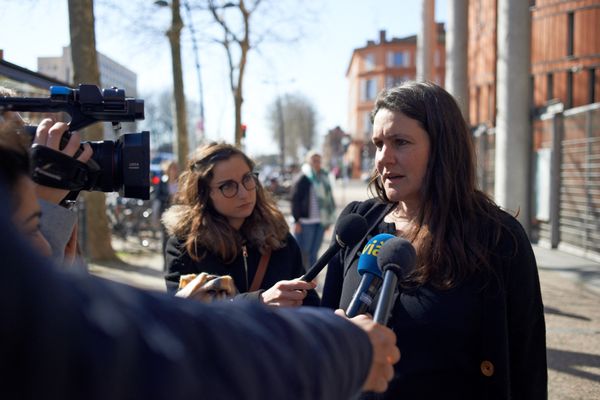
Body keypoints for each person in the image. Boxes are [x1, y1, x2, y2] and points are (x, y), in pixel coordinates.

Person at [321, 81, 547, 399]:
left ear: (442, 147)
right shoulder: (358, 224)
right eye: (378, 144)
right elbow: (324, 326)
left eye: (400, 142)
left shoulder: (498, 237)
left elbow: (527, 364)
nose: (383, 159)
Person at [164, 142, 319, 306]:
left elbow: (311, 304)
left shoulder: (279, 237)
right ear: (205, 194)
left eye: (247, 178)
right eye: (228, 186)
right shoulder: (186, 246)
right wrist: (260, 302)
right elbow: (185, 316)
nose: (244, 193)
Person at [290, 150, 336, 268]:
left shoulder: (324, 177)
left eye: (319, 161)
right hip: (306, 222)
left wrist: (327, 221)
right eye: (314, 160)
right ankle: (303, 277)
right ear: (308, 162)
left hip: (320, 221)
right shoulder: (303, 177)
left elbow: (328, 199)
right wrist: (297, 220)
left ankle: (311, 277)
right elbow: (295, 200)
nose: (317, 163)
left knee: (315, 251)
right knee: (304, 252)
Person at [153, 159, 179, 270]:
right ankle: (166, 264)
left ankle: (174, 263)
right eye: (171, 169)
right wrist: (169, 198)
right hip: (166, 214)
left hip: (178, 216)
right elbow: (158, 197)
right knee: (165, 239)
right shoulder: (162, 182)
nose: (173, 171)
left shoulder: (180, 183)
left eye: (175, 169)